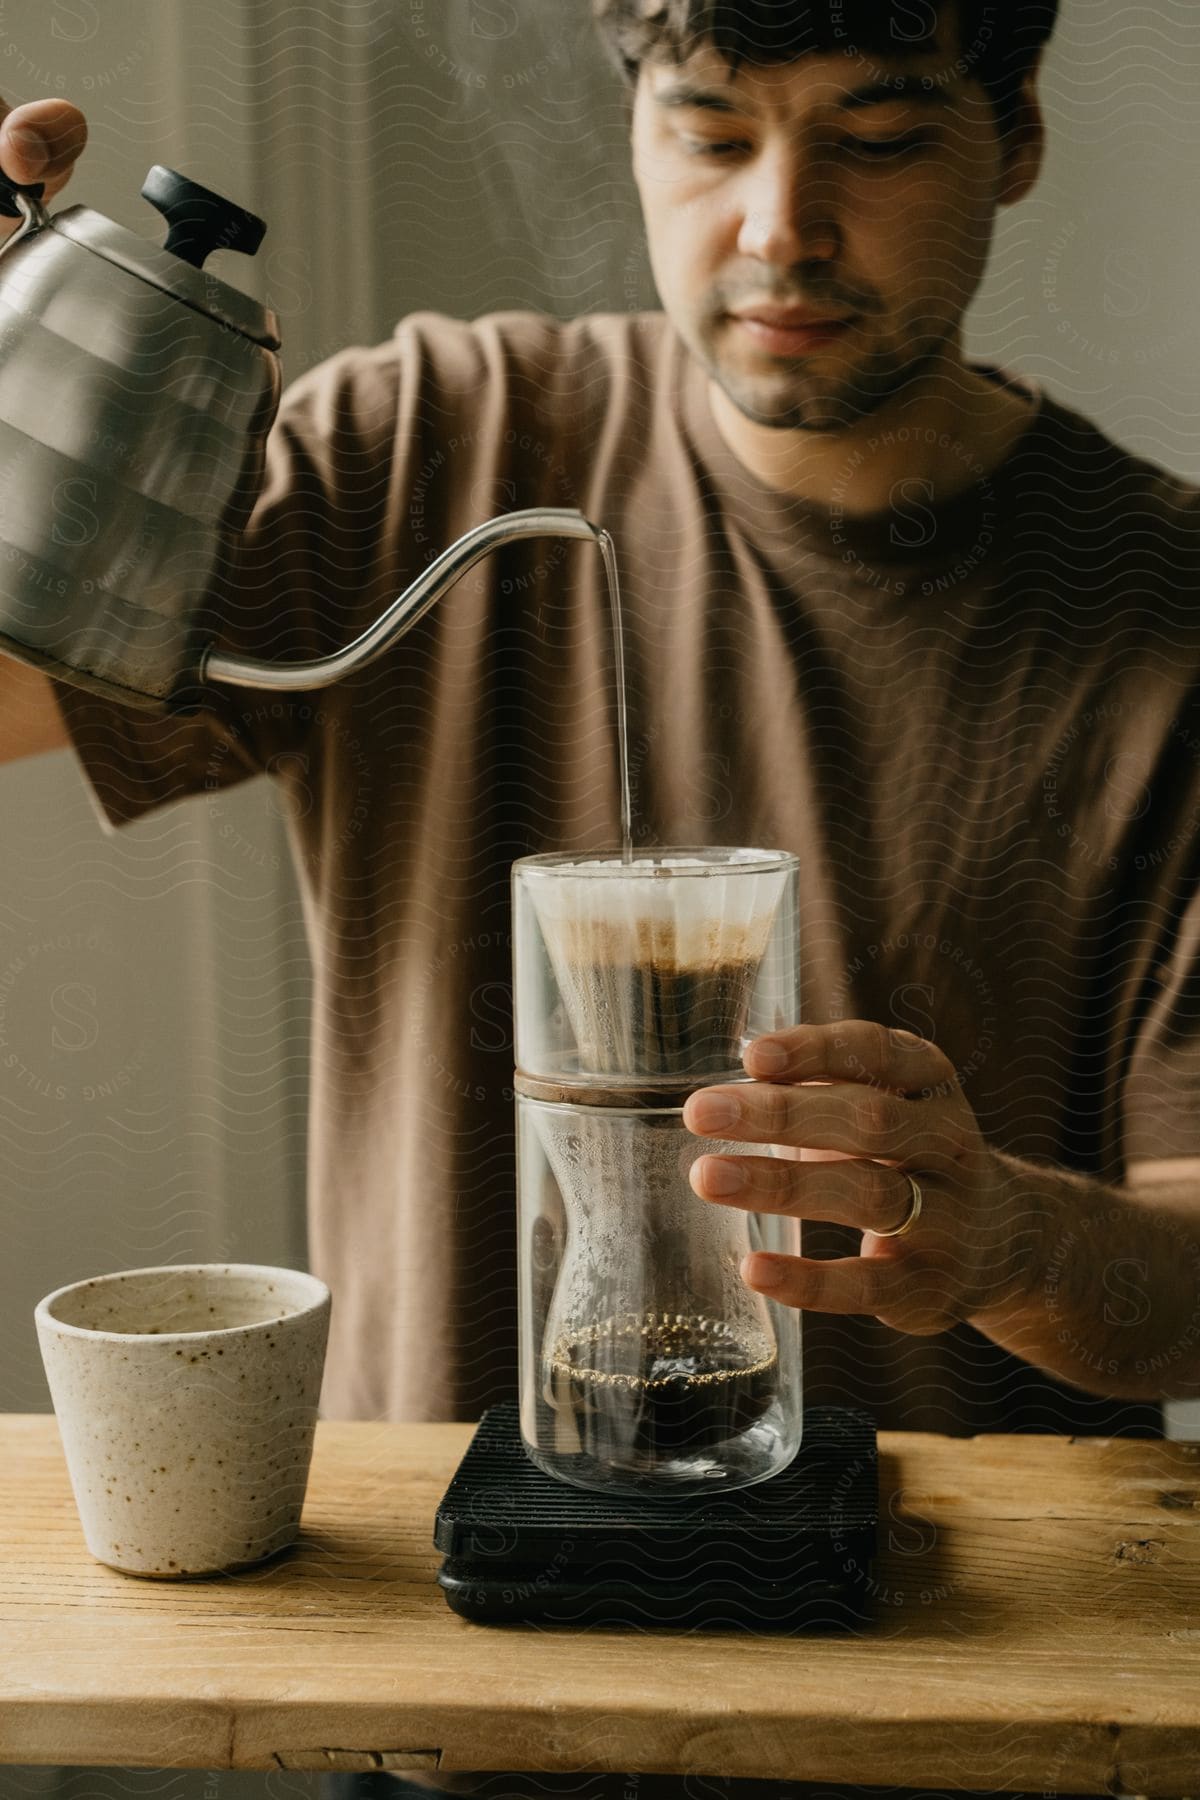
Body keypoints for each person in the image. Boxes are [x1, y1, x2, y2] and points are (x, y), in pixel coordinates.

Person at [2, 3, 1199, 1797]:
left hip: (954, 1726)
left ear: (1018, 136)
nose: (781, 223)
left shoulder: (1167, 614)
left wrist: (1011, 1237)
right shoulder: (426, 449)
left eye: (875, 140)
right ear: (631, 120)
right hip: (427, 1706)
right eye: (714, 132)